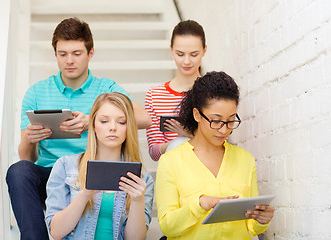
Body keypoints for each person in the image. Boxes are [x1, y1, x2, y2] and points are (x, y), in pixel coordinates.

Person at [6, 17, 151, 240]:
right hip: (51, 172)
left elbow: (144, 118)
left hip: (88, 170)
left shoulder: (105, 88)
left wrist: (91, 120)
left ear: (90, 52)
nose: (69, 61)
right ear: (55, 54)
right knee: (18, 170)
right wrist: (30, 139)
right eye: (62, 54)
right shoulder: (36, 92)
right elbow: (27, 158)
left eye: (76, 53)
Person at [155, 71, 274, 239]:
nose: (224, 129)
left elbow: (251, 227)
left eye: (231, 120)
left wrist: (262, 220)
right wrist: (199, 205)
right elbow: (167, 227)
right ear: (197, 115)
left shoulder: (245, 160)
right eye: (216, 121)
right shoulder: (171, 161)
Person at [45, 92, 154, 240]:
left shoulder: (143, 179)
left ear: (129, 128)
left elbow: (134, 239)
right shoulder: (66, 166)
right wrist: (84, 195)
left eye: (121, 122)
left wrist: (137, 201)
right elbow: (56, 232)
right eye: (104, 121)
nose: (113, 128)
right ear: (93, 126)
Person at [145, 20, 207, 161]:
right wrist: (179, 141)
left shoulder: (213, 92)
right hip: (173, 171)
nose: (186, 61)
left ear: (204, 51)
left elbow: (222, 143)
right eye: (180, 54)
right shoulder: (155, 95)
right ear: (171, 50)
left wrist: (189, 134)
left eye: (194, 54)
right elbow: (154, 152)